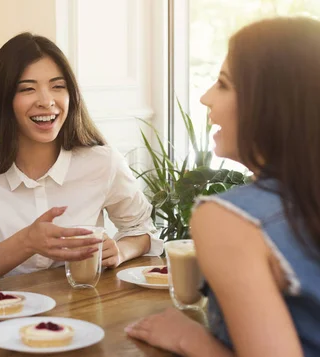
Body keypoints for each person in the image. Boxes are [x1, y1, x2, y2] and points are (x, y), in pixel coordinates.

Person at [126, 17, 320, 356]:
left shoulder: (230, 220)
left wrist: (190, 338)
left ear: (273, 104)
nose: (205, 98)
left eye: (224, 84)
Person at [0, 32, 162, 288]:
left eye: (58, 87)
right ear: (3, 100)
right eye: (27, 89)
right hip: (3, 313)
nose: (47, 102)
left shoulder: (102, 162)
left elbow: (143, 230)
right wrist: (27, 241)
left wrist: (121, 250)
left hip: (82, 309)